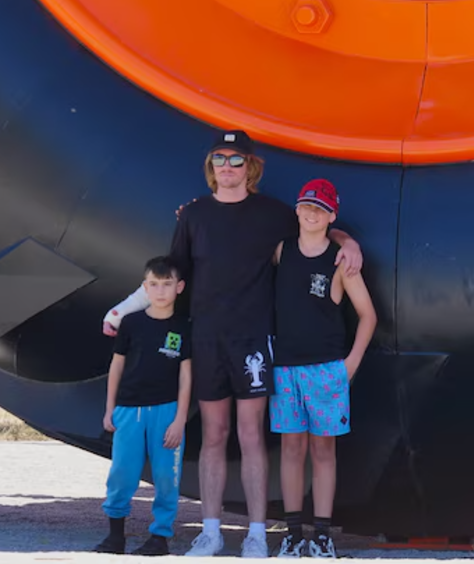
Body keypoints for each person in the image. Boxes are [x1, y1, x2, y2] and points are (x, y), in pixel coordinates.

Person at [103, 131, 362, 558]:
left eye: (236, 159)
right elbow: (171, 277)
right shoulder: (193, 216)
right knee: (214, 435)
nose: (227, 166)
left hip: (255, 341)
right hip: (206, 339)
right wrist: (123, 309)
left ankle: (257, 534)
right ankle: (211, 532)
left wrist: (348, 242)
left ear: (250, 167)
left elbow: (316, 225)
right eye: (219, 158)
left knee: (250, 435)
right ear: (211, 167)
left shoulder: (274, 214)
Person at [270, 179, 376, 559]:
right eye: (306, 205)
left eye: (320, 207)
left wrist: (351, 363)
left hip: (326, 369)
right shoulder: (282, 251)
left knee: (323, 451)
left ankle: (323, 535)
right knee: (291, 449)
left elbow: (368, 315)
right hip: (285, 368)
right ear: (297, 209)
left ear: (331, 215)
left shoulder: (340, 260)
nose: (311, 212)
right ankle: (294, 533)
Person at [94, 256, 193, 556]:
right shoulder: (132, 323)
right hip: (129, 410)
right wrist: (110, 408)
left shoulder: (184, 327)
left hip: (166, 411)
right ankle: (115, 536)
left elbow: (187, 377)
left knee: (166, 476)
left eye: (167, 284)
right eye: (154, 284)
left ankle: (160, 537)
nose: (161, 291)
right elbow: (117, 366)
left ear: (180, 287)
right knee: (122, 471)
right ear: (144, 288)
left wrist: (179, 420)